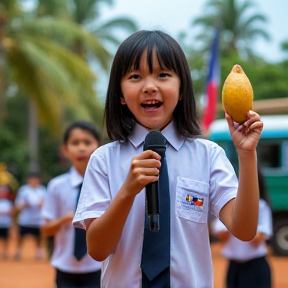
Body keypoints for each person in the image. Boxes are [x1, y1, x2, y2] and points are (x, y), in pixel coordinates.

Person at [72, 30, 264, 288]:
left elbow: (244, 230)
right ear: (119, 94)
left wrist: (247, 154)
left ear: (182, 88)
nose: (149, 86)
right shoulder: (103, 160)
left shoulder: (208, 155)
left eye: (163, 75)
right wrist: (127, 191)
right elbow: (97, 249)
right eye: (135, 76)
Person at [41, 121, 102, 288]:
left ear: (98, 147)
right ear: (65, 149)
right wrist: (65, 219)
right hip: (65, 268)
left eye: (87, 142)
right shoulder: (56, 186)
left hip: (98, 267)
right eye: (75, 143)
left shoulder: (106, 184)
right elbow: (46, 230)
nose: (81, 148)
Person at [211, 167, 273, 288]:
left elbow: (256, 239)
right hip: (235, 267)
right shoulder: (231, 205)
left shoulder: (262, 206)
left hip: (256, 266)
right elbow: (221, 234)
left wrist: (239, 224)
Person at [14, 171, 47, 259]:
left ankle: (38, 252)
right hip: (25, 219)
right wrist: (23, 204)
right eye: (32, 180)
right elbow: (17, 204)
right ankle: (18, 251)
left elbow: (48, 205)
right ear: (28, 180)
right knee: (20, 236)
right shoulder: (23, 190)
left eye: (36, 180)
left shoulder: (43, 190)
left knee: (39, 237)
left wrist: (42, 204)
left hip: (37, 219)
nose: (34, 181)